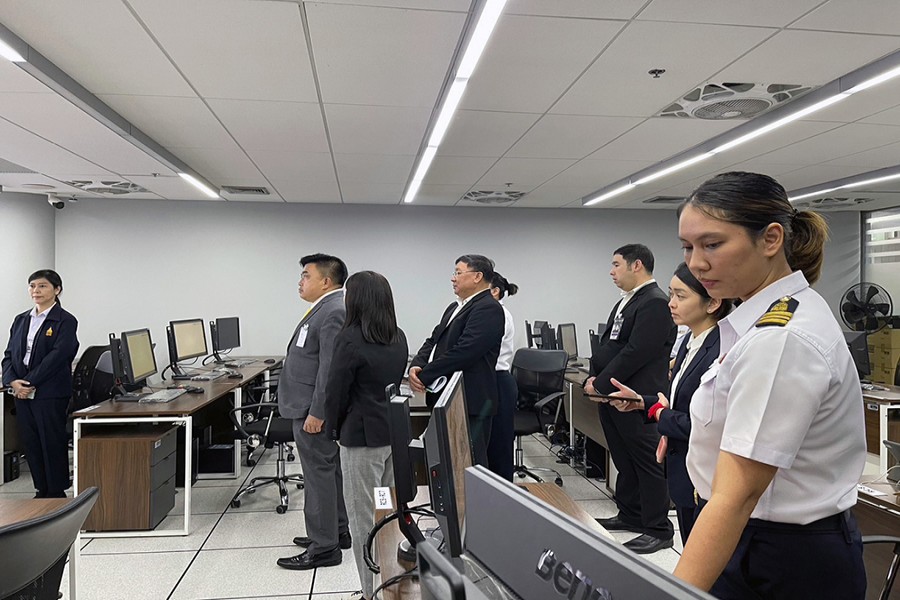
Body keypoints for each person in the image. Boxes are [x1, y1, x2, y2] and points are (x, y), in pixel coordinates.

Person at [674, 172, 866, 598]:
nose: (696, 263)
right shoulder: (767, 318)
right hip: (757, 541)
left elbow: (737, 496)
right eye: (688, 247)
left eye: (712, 244)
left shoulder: (780, 338)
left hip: (779, 557)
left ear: (771, 239)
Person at [608, 262, 731, 545]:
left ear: (713, 303)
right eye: (671, 294)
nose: (671, 304)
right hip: (685, 474)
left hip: (705, 478)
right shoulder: (690, 342)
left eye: (680, 296)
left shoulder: (720, 349)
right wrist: (642, 402)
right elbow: (683, 405)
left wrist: (658, 412)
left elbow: (706, 423)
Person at [583, 244, 676, 554]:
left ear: (637, 265)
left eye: (616, 264)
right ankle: (631, 514)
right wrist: (595, 378)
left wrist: (601, 384)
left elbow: (637, 352)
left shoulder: (655, 302)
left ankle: (658, 529)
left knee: (647, 463)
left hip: (637, 397)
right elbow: (610, 345)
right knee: (624, 459)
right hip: (615, 394)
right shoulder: (628, 301)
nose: (611, 271)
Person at [324, 271, 408, 600]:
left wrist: (332, 429)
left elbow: (336, 391)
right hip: (390, 437)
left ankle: (369, 592)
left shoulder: (349, 338)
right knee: (385, 513)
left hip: (360, 442)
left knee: (363, 521)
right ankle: (388, 584)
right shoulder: (398, 336)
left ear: (356, 299)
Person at [277, 253, 351, 571]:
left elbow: (329, 369)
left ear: (326, 281)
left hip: (312, 410)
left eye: (306, 275)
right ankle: (336, 531)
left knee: (318, 475)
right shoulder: (324, 308)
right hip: (307, 405)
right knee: (327, 471)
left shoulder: (333, 311)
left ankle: (323, 548)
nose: (300, 281)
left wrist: (318, 412)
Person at [409, 255, 504, 467]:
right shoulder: (455, 307)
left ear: (477, 276)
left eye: (458, 273)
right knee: (446, 463)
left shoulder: (488, 308)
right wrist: (417, 365)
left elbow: (465, 351)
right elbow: (434, 340)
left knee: (468, 464)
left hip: (469, 401)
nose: (453, 278)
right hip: (447, 398)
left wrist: (425, 375)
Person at [2, 269, 79, 498]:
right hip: (22, 392)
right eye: (32, 286)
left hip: (50, 392)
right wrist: (12, 382)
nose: (36, 290)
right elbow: (9, 355)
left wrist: (28, 382)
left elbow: (59, 356)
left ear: (57, 290)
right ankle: (40, 490)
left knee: (51, 441)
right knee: (31, 443)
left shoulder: (65, 320)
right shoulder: (21, 319)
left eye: (42, 286)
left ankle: (55, 491)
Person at [486, 271, 518, 480]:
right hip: (492, 381)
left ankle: (503, 494)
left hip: (498, 382)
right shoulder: (492, 312)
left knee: (499, 449)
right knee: (492, 447)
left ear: (495, 291)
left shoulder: (498, 315)